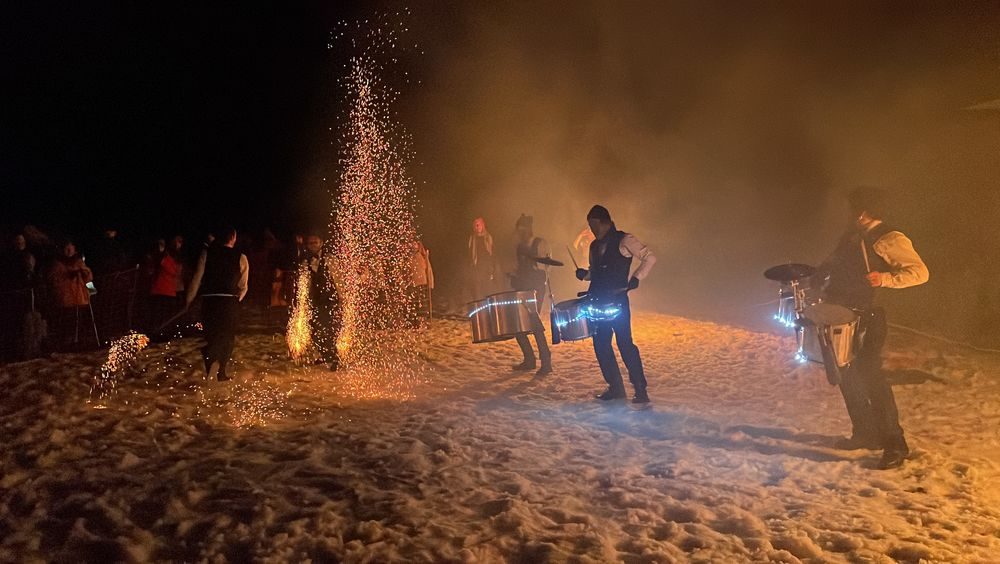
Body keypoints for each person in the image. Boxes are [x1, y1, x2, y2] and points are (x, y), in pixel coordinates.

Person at [812, 187, 929, 469]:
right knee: (844, 373)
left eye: (858, 208)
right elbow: (834, 264)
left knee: (871, 376)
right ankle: (864, 432)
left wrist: (884, 279)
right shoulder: (851, 235)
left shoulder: (890, 238)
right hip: (841, 313)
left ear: (868, 211)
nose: (854, 213)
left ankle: (894, 443)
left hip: (871, 316)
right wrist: (818, 274)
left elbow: (920, 273)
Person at [575, 205, 656, 403]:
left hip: (617, 301)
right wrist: (585, 275)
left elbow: (650, 258)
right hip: (598, 301)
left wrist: (637, 277)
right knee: (601, 345)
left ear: (604, 222)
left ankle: (640, 389)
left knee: (624, 344)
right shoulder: (594, 246)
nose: (591, 229)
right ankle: (616, 388)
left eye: (593, 225)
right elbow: (597, 272)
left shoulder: (625, 240)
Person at [186, 227, 248, 381]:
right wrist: (237, 299)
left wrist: (189, 299)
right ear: (233, 237)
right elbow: (243, 285)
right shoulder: (241, 257)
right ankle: (221, 370)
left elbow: (197, 278)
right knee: (227, 336)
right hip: (229, 301)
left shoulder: (207, 254)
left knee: (212, 335)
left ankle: (211, 359)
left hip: (210, 301)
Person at [510, 214, 552, 376]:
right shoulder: (519, 247)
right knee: (517, 324)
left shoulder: (540, 243)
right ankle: (529, 359)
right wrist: (514, 275)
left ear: (529, 229)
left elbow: (547, 267)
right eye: (518, 230)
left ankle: (546, 360)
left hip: (535, 288)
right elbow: (519, 266)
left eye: (523, 229)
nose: (520, 233)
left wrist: (535, 264)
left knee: (533, 322)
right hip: (522, 287)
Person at [302, 232, 342, 370]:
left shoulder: (330, 259)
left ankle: (334, 357)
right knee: (315, 329)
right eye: (310, 243)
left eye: (315, 242)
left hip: (330, 300)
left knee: (330, 329)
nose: (312, 245)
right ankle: (324, 354)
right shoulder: (305, 261)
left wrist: (342, 298)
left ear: (321, 243)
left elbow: (339, 280)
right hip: (315, 301)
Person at [47, 240, 96, 349]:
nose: (69, 251)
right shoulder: (57, 265)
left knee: (81, 321)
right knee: (68, 322)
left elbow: (88, 278)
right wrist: (67, 276)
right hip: (66, 299)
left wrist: (92, 291)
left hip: (81, 298)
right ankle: (67, 343)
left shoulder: (79, 263)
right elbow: (54, 281)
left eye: (71, 248)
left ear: (74, 250)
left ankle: (80, 341)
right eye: (66, 249)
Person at [148, 235, 185, 332]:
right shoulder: (166, 256)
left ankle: (162, 332)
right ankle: (158, 332)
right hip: (162, 289)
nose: (179, 244)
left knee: (164, 314)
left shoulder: (175, 256)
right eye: (178, 241)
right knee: (160, 314)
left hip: (168, 289)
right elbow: (172, 270)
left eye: (181, 242)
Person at [467, 217, 497, 301]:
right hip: (477, 267)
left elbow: (492, 253)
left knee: (487, 289)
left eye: (478, 225)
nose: (477, 227)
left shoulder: (488, 237)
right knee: (477, 290)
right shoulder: (472, 238)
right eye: (475, 225)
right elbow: (470, 253)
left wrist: (492, 269)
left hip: (487, 267)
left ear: (482, 225)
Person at [408, 240, 434, 326]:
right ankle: (414, 321)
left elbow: (428, 269)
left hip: (422, 283)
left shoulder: (423, 256)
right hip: (412, 284)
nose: (413, 246)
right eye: (412, 244)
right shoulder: (408, 258)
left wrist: (430, 281)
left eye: (415, 244)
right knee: (413, 303)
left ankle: (422, 321)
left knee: (422, 303)